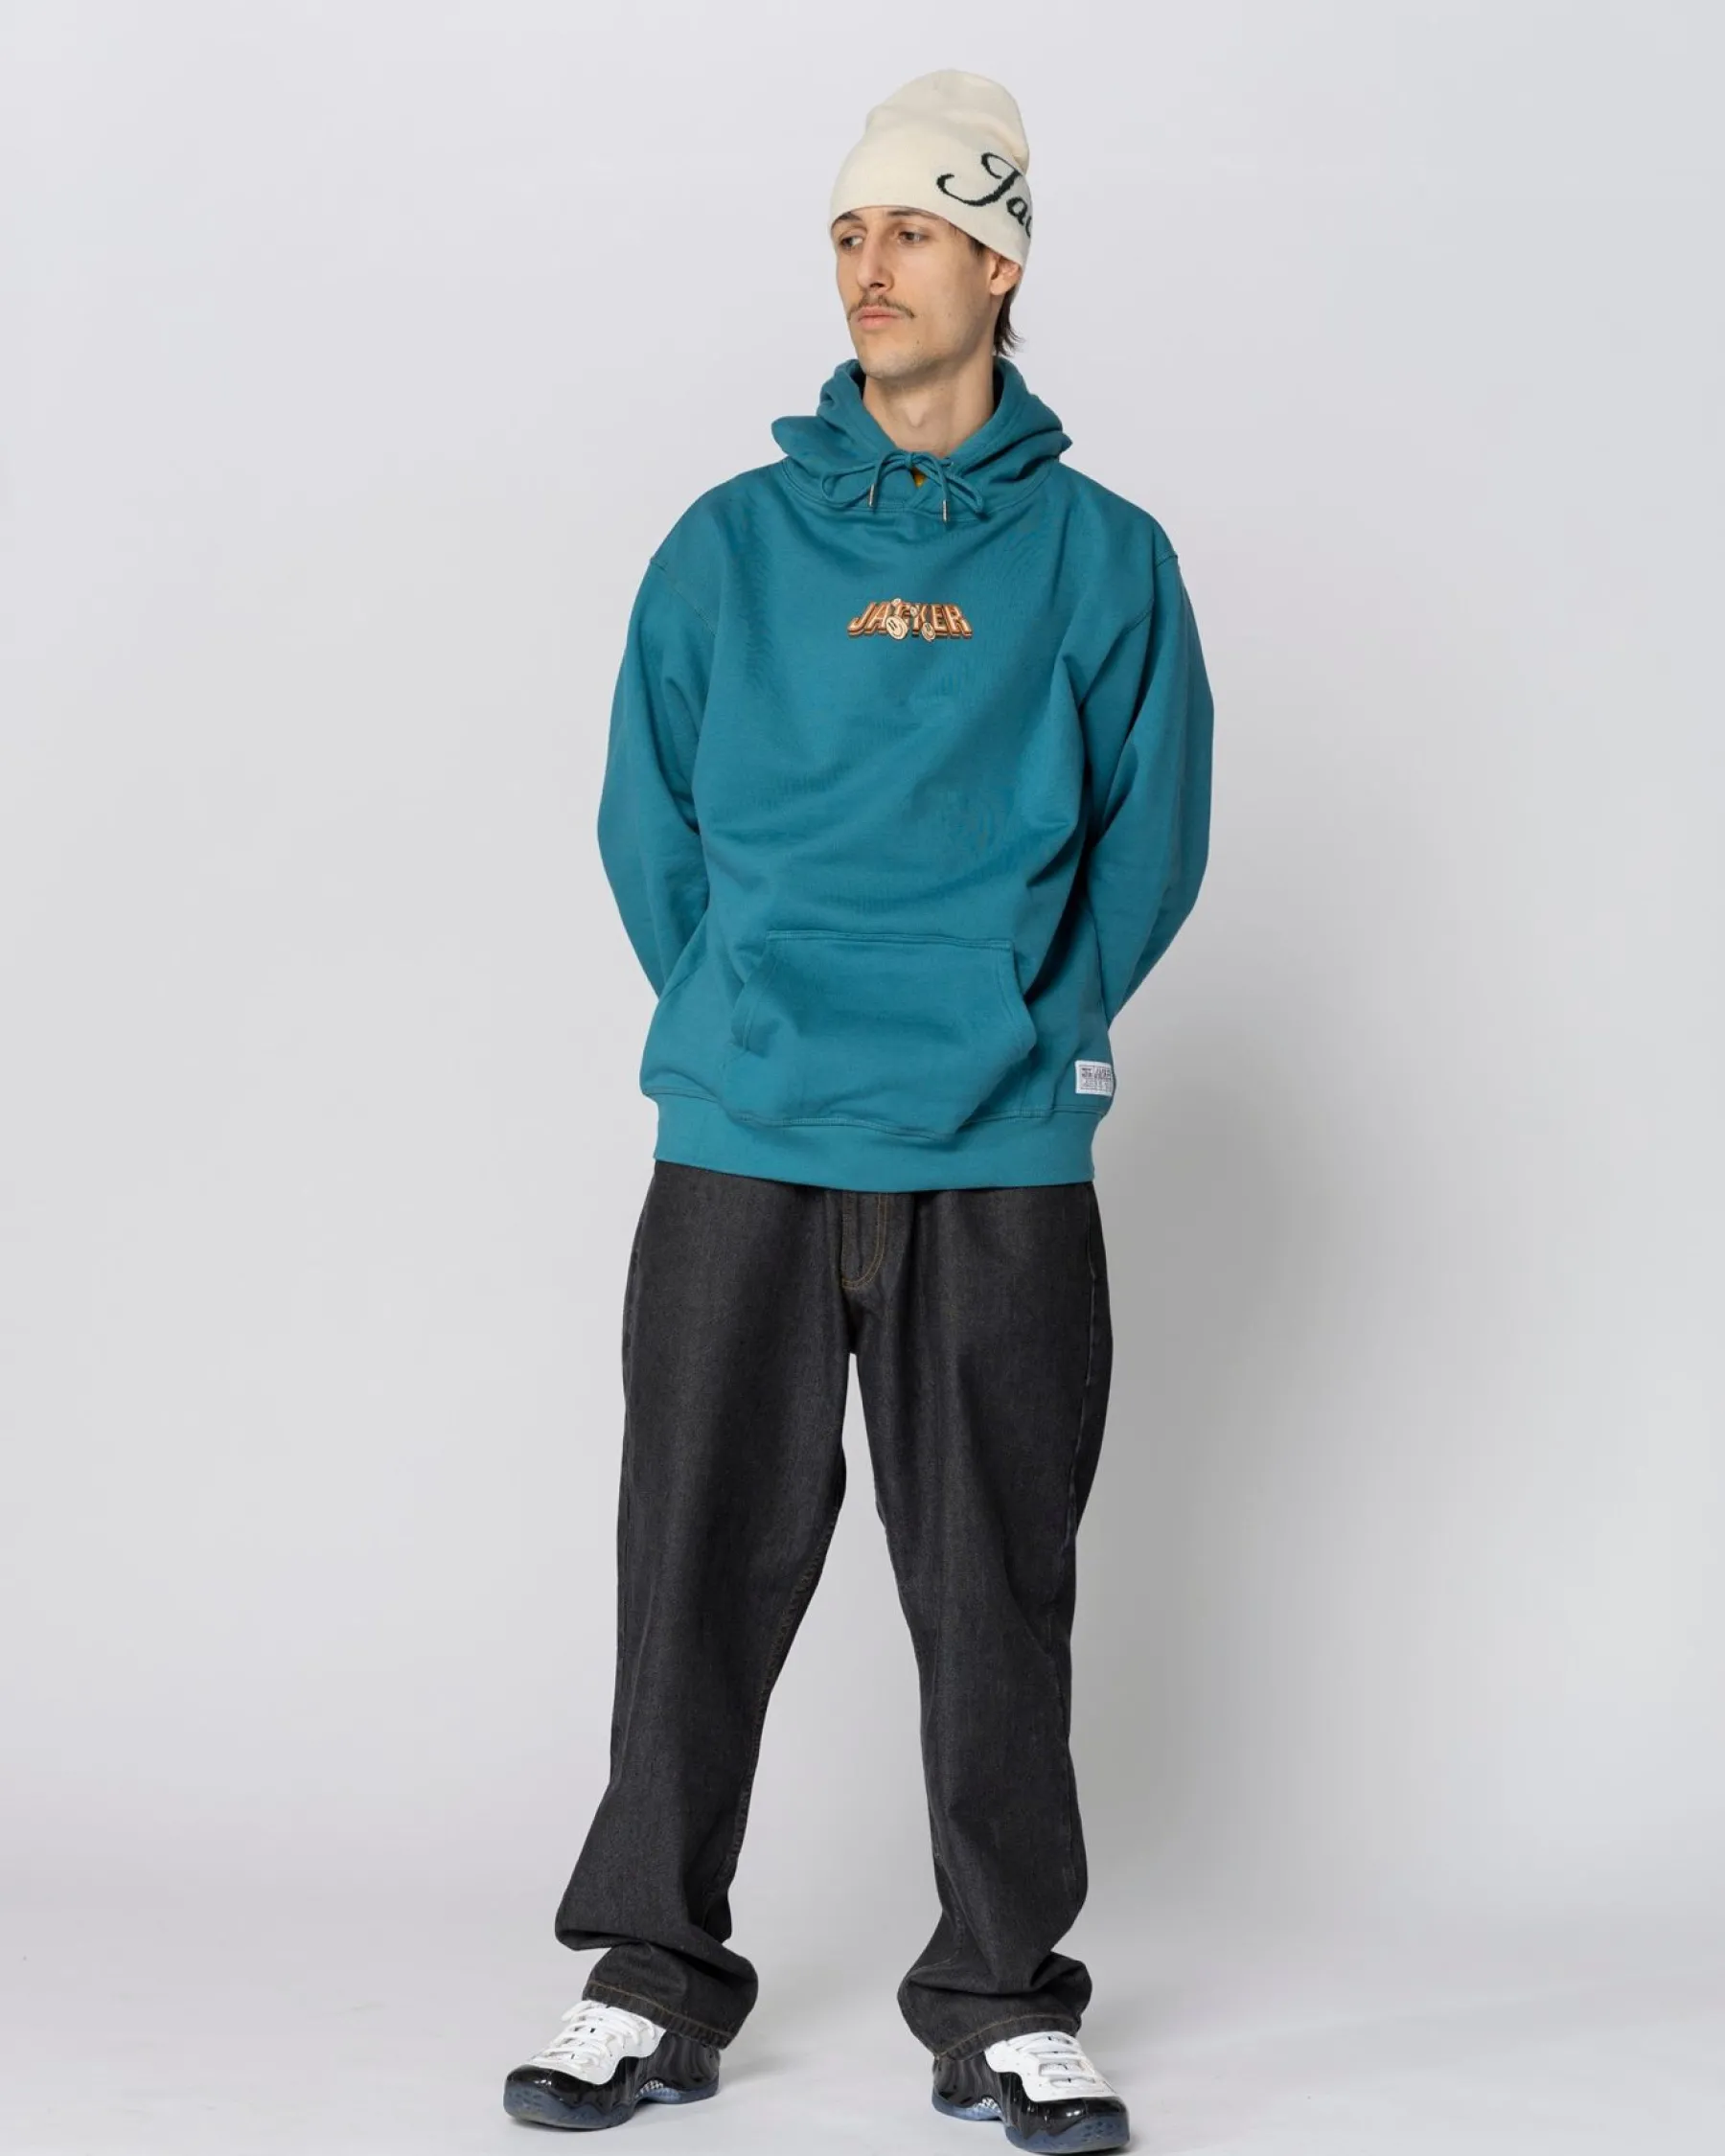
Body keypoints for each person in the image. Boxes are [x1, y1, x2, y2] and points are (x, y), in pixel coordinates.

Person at [503, 68, 1214, 2149]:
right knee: (692, 1563)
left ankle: (999, 1996)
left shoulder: (1103, 558)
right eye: (846, 232)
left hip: (998, 1149)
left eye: (911, 229)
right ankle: (649, 1974)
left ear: (999, 263)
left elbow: (1151, 838)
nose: (867, 266)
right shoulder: (726, 547)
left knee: (994, 1581)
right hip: (746, 1135)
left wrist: (1034, 1029)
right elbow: (650, 826)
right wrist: (742, 1012)